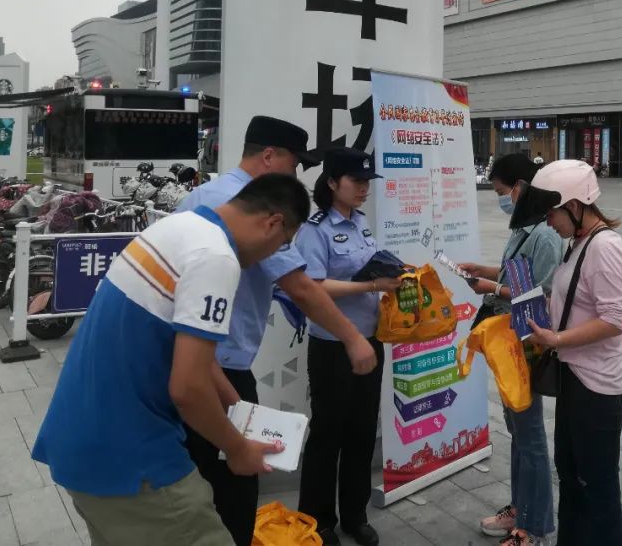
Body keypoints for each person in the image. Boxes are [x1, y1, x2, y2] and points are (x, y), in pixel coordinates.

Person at [32, 175, 311, 546]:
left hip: (81, 443)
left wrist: (240, 410)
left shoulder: (179, 228)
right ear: (273, 223)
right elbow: (188, 389)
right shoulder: (216, 258)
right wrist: (238, 449)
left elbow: (194, 357)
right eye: (283, 244)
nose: (274, 255)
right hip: (135, 459)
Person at [178, 116, 377, 546]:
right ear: (269, 156)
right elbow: (301, 286)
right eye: (294, 164)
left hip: (197, 359)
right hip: (220, 363)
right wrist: (352, 337)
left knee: (199, 481)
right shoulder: (253, 209)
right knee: (236, 488)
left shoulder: (199, 197)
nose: (296, 174)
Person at [512, 159, 622, 546]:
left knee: (596, 485)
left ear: (575, 205)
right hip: (575, 379)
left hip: (598, 387)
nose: (548, 223)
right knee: (570, 474)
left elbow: (616, 318)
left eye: (551, 214)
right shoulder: (578, 245)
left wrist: (557, 340)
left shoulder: (605, 247)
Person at [295, 147, 400, 546]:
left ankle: (355, 515)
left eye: (366, 182)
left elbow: (369, 267)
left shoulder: (361, 222)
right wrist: (372, 284)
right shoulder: (315, 230)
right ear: (331, 182)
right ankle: (318, 520)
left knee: (361, 431)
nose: (363, 189)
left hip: (371, 341)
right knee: (328, 434)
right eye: (356, 181)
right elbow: (313, 287)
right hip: (333, 347)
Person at [460, 154, 562, 546]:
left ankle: (535, 528)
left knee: (530, 437)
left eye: (502, 191)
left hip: (528, 343)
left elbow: (544, 295)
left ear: (520, 187)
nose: (502, 199)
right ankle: (521, 509)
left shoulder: (545, 234)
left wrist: (493, 288)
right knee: (519, 432)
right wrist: (484, 271)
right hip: (509, 341)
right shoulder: (525, 227)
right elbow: (516, 278)